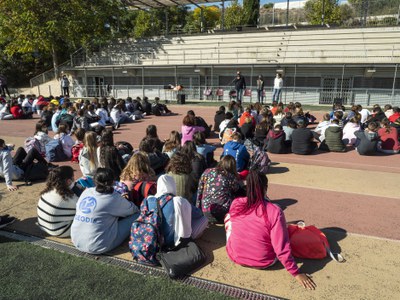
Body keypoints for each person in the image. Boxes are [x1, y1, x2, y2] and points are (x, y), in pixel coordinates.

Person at [225, 170, 316, 290]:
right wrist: (296, 273)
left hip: (236, 256)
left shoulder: (236, 203)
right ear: (265, 188)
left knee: (228, 218)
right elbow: (281, 249)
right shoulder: (275, 211)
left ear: (247, 187)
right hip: (264, 262)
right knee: (279, 235)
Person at [71, 168, 139, 254]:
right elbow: (133, 210)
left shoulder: (86, 192)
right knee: (138, 214)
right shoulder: (113, 197)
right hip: (99, 246)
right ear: (113, 182)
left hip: (76, 241)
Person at [145, 175, 208, 248]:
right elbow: (198, 213)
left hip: (154, 239)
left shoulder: (148, 200)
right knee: (204, 219)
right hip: (173, 241)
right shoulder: (179, 201)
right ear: (172, 185)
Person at [196, 155, 241, 223]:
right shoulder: (230, 176)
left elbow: (199, 191)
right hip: (223, 213)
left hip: (206, 212)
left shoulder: (207, 171)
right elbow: (237, 189)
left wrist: (198, 209)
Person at [37, 166, 78, 237]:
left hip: (44, 227)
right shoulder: (68, 198)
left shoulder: (47, 192)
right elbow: (84, 211)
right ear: (68, 181)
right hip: (60, 231)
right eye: (73, 177)